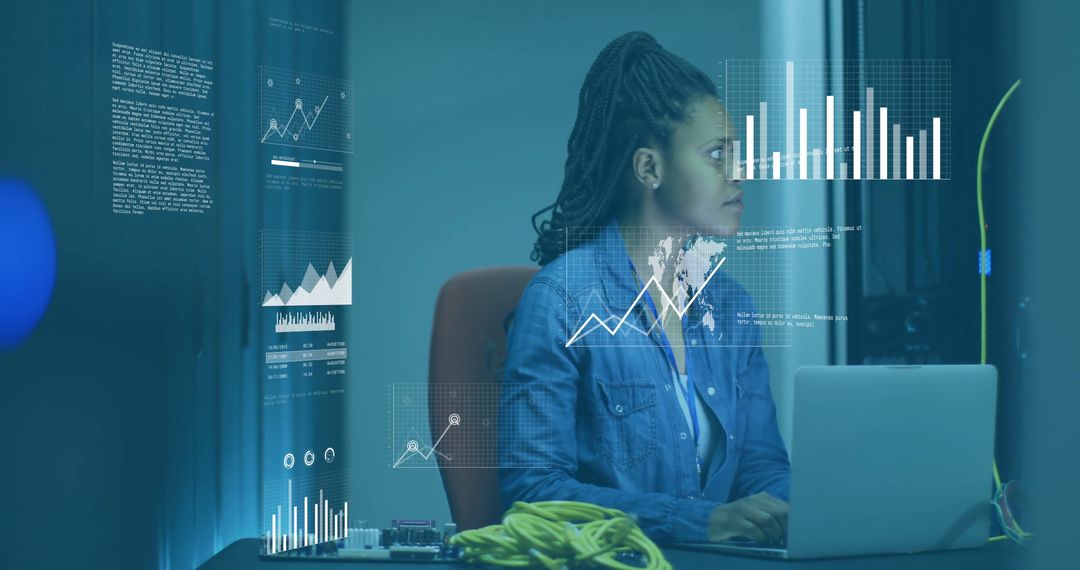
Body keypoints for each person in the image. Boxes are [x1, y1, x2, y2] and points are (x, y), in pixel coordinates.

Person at [498, 31, 790, 545]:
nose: (740, 173)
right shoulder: (560, 300)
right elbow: (534, 495)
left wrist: (814, 510)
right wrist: (699, 523)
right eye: (719, 154)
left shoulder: (730, 304)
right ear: (649, 167)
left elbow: (762, 469)